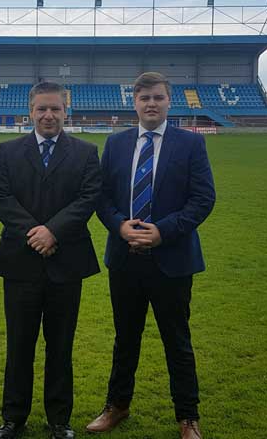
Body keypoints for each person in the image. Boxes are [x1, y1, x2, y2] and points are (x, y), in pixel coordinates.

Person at [86, 72, 216, 439]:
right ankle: (117, 406)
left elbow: (203, 199)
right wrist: (118, 226)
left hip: (172, 259)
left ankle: (188, 417)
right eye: (145, 98)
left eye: (158, 97)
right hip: (125, 257)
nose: (151, 104)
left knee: (177, 340)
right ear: (135, 102)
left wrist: (164, 231)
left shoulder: (191, 145)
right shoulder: (116, 144)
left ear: (169, 101)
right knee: (125, 337)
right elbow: (102, 198)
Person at [0, 81, 101, 439]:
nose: (48, 115)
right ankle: (13, 419)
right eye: (42, 109)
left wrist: (53, 231)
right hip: (20, 263)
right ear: (30, 112)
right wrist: (36, 233)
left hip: (66, 263)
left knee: (61, 346)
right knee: (18, 345)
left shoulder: (85, 152)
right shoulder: (7, 151)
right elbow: (1, 198)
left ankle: (59, 420)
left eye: (55, 109)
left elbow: (87, 199)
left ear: (65, 111)